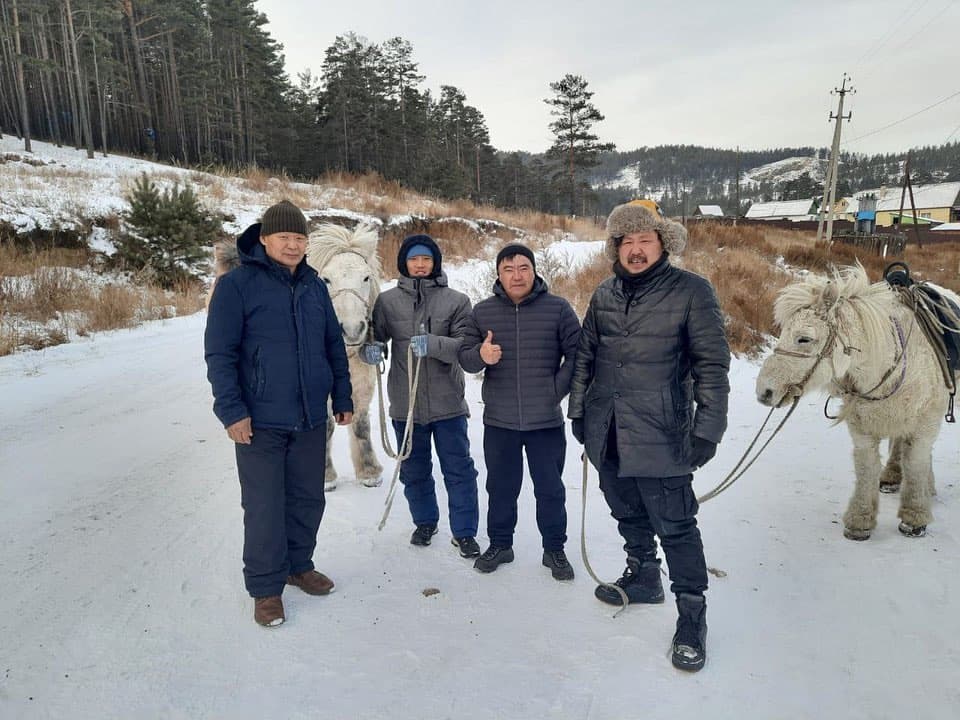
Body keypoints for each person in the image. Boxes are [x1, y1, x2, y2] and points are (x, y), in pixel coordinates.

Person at [567, 203, 730, 672]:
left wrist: (708, 429)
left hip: (663, 434)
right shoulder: (604, 294)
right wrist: (579, 413)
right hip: (608, 430)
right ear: (616, 247)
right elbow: (585, 359)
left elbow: (711, 368)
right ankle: (642, 576)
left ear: (664, 243)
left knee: (676, 526)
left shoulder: (692, 292)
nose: (635, 250)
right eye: (627, 242)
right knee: (625, 509)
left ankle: (692, 617)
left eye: (645, 241)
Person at [204, 200, 353, 628]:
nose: (292, 245)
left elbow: (332, 347)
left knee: (307, 497)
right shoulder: (236, 285)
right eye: (284, 237)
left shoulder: (314, 286)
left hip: (309, 417)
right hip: (259, 420)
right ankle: (266, 588)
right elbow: (220, 353)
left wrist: (341, 397)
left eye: (299, 238)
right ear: (264, 239)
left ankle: (298, 565)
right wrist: (231, 411)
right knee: (265, 504)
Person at [459, 244, 581, 580]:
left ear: (534, 271)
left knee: (550, 489)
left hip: (545, 421)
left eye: (523, 267)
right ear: (498, 273)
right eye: (509, 268)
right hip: (500, 420)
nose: (517, 275)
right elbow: (465, 357)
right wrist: (481, 356)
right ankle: (500, 544)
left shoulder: (557, 309)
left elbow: (578, 354)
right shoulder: (483, 312)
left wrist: (556, 390)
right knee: (500, 487)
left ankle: (554, 549)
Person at [359, 234, 480, 557]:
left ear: (435, 262)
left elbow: (466, 348)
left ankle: (465, 532)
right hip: (404, 405)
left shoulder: (457, 301)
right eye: (414, 259)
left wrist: (435, 345)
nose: (421, 264)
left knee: (458, 469)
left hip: (447, 404)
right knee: (414, 470)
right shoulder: (386, 302)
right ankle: (425, 521)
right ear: (404, 263)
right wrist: (370, 351)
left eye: (426, 258)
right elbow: (375, 337)